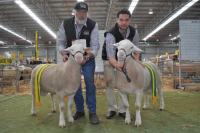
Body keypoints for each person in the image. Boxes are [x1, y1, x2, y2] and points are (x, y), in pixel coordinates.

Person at [57, 2, 100, 124]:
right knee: (74, 85)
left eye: (84, 12)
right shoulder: (65, 24)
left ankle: (92, 112)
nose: (82, 14)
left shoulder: (93, 25)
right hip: (71, 60)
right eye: (79, 12)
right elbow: (61, 42)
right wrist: (63, 53)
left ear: (87, 12)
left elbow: (95, 45)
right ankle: (80, 110)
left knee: (89, 82)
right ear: (74, 11)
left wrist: (89, 56)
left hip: (87, 59)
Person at [102, 9, 140, 119]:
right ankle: (111, 109)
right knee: (110, 84)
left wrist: (136, 62)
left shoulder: (134, 32)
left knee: (125, 84)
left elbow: (136, 50)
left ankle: (123, 110)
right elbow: (110, 56)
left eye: (126, 20)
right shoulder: (111, 34)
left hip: (126, 61)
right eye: (121, 20)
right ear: (117, 20)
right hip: (109, 60)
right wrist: (118, 66)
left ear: (130, 20)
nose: (124, 22)